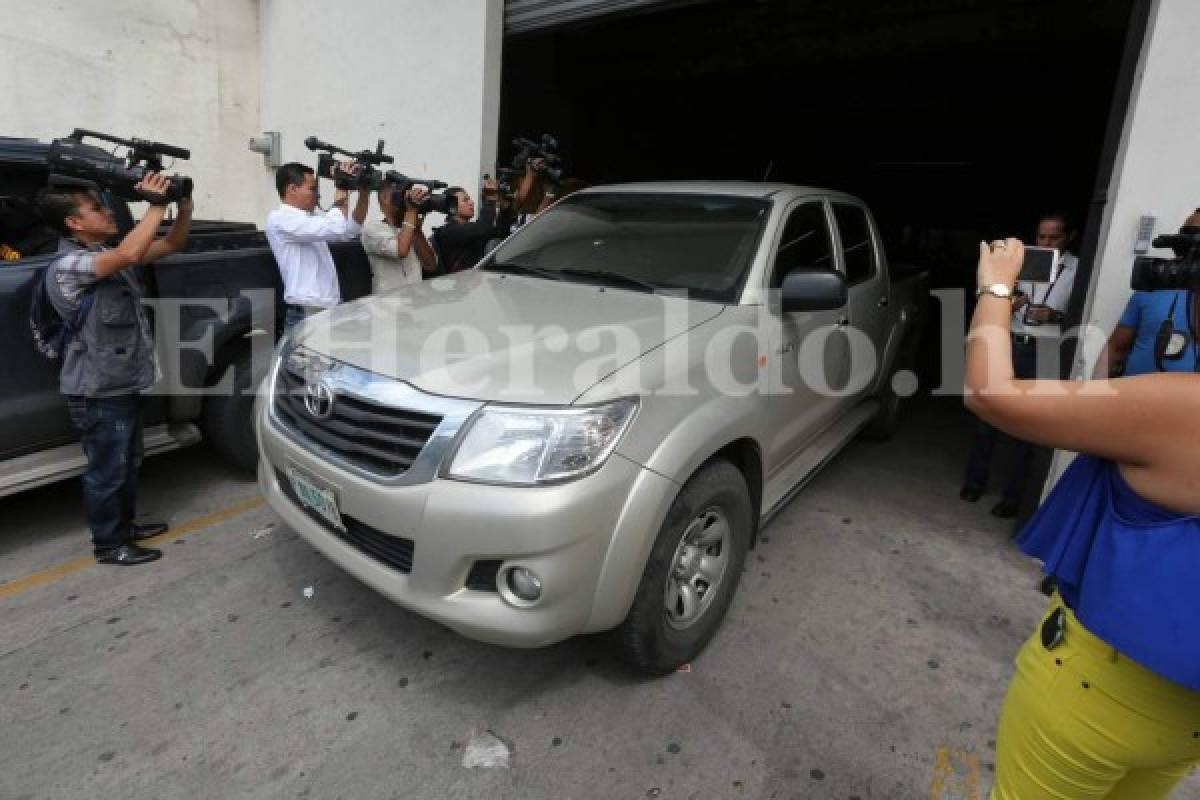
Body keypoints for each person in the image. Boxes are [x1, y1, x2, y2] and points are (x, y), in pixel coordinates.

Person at [967, 237, 1200, 799]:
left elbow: (990, 392)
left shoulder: (1181, 408)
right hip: (1184, 727)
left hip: (1097, 696)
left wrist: (995, 285)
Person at [36, 175, 192, 565]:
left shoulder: (106, 253)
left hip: (121, 382)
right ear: (74, 223)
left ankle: (125, 526)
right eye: (95, 208)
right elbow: (126, 255)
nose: (107, 212)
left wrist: (182, 206)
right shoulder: (69, 266)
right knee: (108, 469)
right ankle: (109, 544)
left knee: (128, 461)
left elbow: (172, 243)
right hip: (97, 390)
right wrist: (155, 204)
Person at [960, 212, 1080, 518]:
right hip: (1012, 341)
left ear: (1069, 237)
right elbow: (991, 296)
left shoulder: (1078, 269)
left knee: (1029, 424)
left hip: (1048, 349)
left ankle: (1013, 497)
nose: (1047, 242)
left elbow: (1081, 311)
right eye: (1042, 236)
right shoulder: (1020, 261)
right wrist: (1008, 301)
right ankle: (975, 482)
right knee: (987, 415)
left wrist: (1055, 316)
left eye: (1055, 237)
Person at [265, 162, 369, 333]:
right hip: (307, 315)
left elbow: (349, 230)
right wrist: (341, 187)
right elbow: (335, 227)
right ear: (292, 189)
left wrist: (364, 194)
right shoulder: (280, 219)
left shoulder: (309, 219)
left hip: (327, 312)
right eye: (312, 189)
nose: (317, 195)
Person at [1100, 209, 1200, 377]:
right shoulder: (1155, 282)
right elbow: (1117, 346)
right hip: (1132, 396)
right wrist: (1097, 391)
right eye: (1188, 234)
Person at [360, 181, 436, 292]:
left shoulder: (410, 225)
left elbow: (431, 265)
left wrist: (417, 232)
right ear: (385, 198)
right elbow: (401, 251)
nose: (405, 202)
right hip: (389, 304)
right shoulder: (372, 228)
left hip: (416, 301)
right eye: (402, 196)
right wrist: (411, 210)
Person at [431, 177, 513, 274]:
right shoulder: (448, 231)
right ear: (451, 206)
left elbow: (501, 234)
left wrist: (504, 210)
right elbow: (482, 228)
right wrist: (490, 199)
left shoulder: (471, 229)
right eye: (465, 200)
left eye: (470, 199)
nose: (471, 202)